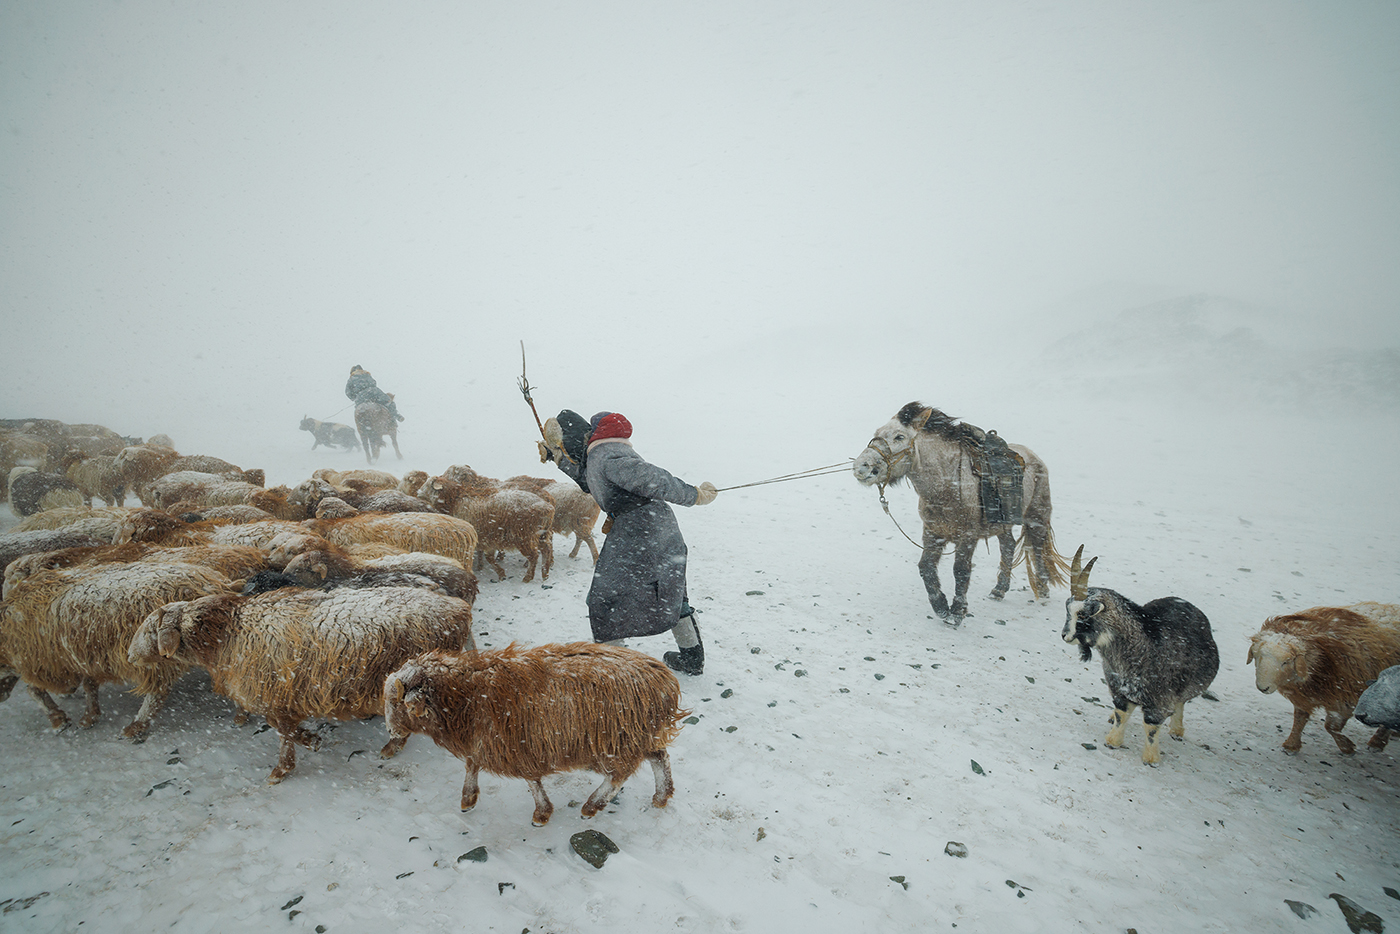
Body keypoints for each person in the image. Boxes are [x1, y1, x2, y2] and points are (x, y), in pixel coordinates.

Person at [540, 410, 718, 675]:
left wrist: (695, 495)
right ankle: (692, 659)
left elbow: (654, 479)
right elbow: (589, 481)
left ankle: (616, 668)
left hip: (639, 531)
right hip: (657, 529)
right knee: (669, 589)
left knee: (604, 599)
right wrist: (558, 460)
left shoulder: (609, 455)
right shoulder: (605, 454)